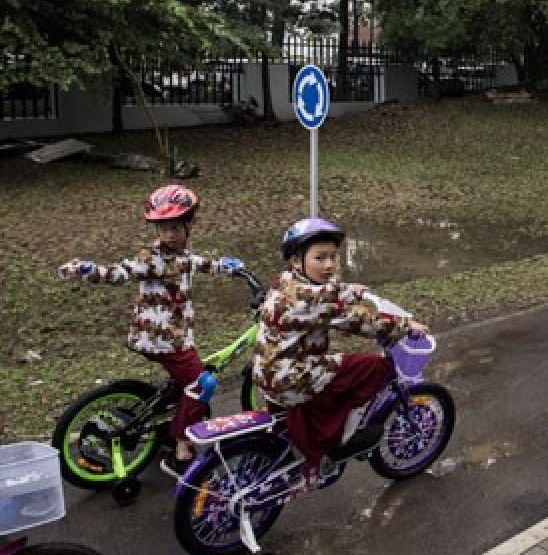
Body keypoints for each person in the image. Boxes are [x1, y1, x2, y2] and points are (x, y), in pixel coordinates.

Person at [57, 185, 244, 476]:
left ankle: (170, 420)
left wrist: (224, 266)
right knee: (202, 385)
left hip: (170, 336)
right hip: (164, 340)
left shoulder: (178, 255)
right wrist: (89, 270)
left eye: (175, 227)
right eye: (162, 228)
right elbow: (121, 272)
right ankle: (181, 446)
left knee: (184, 384)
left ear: (189, 224)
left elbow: (193, 263)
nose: (169, 234)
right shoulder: (153, 258)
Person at [252, 218, 429, 482]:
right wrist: (406, 326)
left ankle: (305, 437)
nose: (329, 265)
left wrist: (349, 291)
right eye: (319, 258)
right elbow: (359, 321)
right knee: (373, 368)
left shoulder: (284, 282)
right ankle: (333, 445)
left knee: (333, 372)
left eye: (333, 257)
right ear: (297, 260)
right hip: (293, 377)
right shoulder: (311, 301)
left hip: (268, 374)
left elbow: (323, 293)